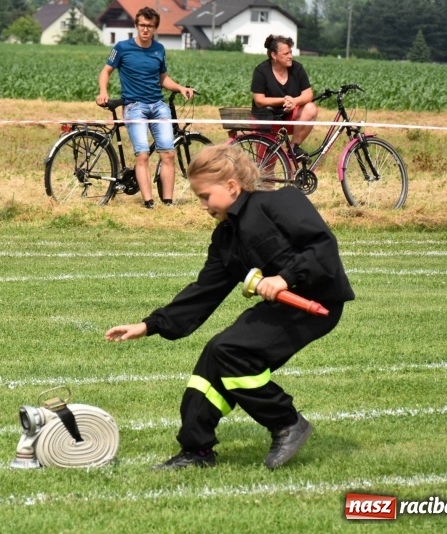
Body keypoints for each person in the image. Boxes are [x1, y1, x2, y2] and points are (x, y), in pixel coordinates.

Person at [105, 144, 354, 470]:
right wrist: (150, 325)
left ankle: (287, 422)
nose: (203, 205)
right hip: (280, 307)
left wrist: (285, 278)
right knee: (215, 356)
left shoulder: (280, 202)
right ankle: (197, 451)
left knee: (230, 350)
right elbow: (203, 292)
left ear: (232, 187)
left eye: (206, 196)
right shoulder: (225, 238)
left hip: (315, 304)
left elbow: (322, 246)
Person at [96, 6, 194, 209]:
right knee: (142, 155)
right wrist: (103, 92)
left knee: (168, 153)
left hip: (158, 106)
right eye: (142, 25)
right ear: (136, 25)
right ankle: (148, 202)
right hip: (135, 107)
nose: (145, 29)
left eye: (149, 26)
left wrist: (180, 87)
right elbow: (105, 72)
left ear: (155, 28)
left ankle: (167, 202)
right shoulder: (122, 47)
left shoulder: (159, 49)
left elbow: (163, 78)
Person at [250, 35, 317, 159]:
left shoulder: (297, 68)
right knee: (267, 164)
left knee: (311, 108)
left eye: (291, 52)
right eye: (286, 53)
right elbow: (259, 100)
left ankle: (293, 148)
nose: (290, 56)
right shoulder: (261, 71)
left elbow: (308, 94)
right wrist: (284, 100)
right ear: (274, 55)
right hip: (266, 120)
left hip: (288, 118)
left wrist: (294, 101)